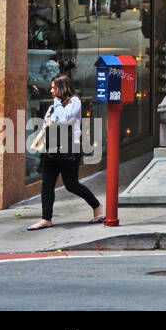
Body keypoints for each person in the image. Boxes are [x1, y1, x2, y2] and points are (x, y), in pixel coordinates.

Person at [27, 74, 102, 231]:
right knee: (47, 185)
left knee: (71, 184)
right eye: (52, 87)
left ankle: (97, 206)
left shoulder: (74, 102)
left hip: (69, 150)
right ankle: (46, 218)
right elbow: (51, 123)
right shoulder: (53, 106)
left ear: (63, 87)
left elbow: (65, 118)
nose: (51, 90)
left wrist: (56, 105)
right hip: (52, 150)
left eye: (54, 87)